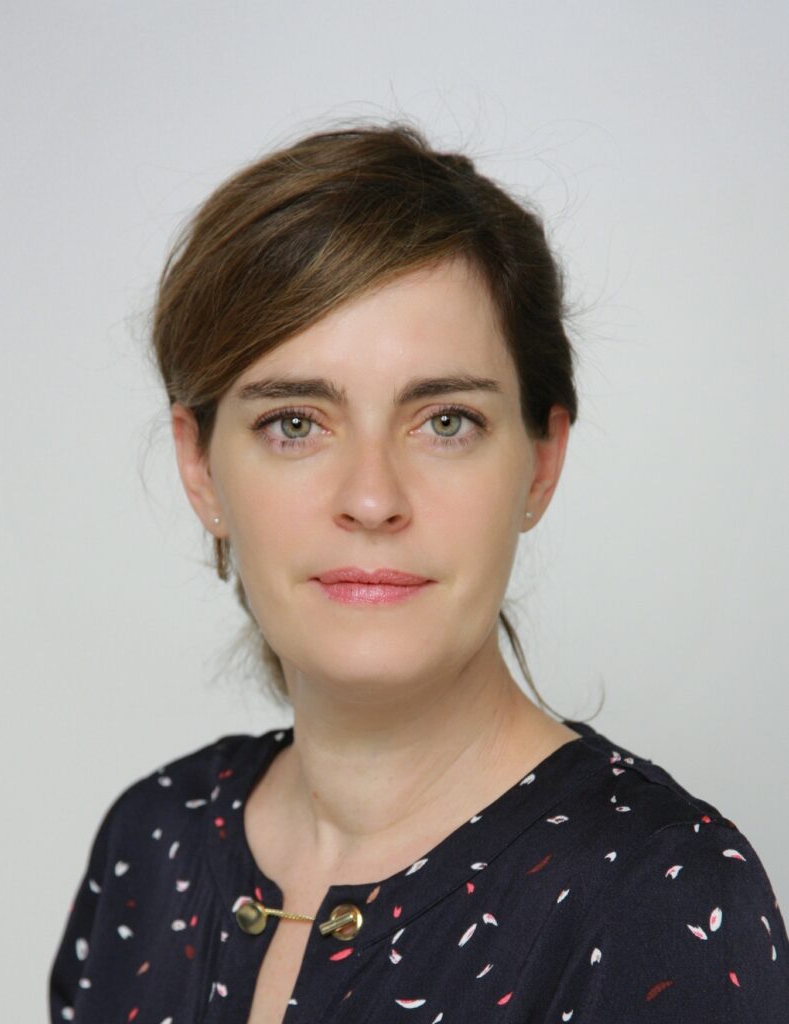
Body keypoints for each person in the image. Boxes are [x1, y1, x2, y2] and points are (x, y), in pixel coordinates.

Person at [48, 120, 789, 1023]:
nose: (371, 498)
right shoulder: (151, 840)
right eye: (294, 423)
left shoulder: (662, 896)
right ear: (199, 468)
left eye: (445, 422)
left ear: (540, 462)